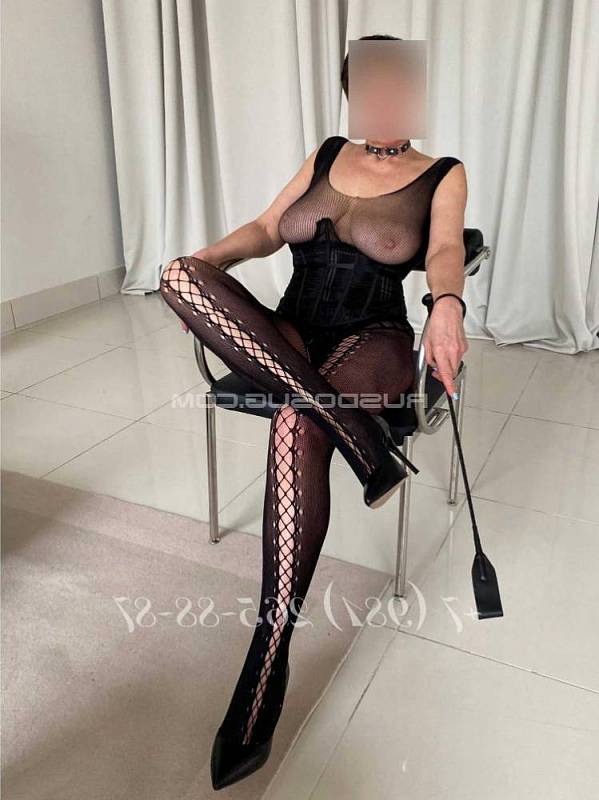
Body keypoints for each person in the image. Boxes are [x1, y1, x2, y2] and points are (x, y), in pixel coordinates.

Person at [159, 33, 468, 791]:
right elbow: (269, 228)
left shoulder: (443, 173)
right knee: (176, 274)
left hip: (374, 338)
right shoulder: (326, 154)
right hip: (292, 333)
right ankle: (362, 443)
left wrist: (447, 303)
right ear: (352, 92)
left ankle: (265, 667)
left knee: (297, 422)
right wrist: (208, 267)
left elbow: (444, 250)